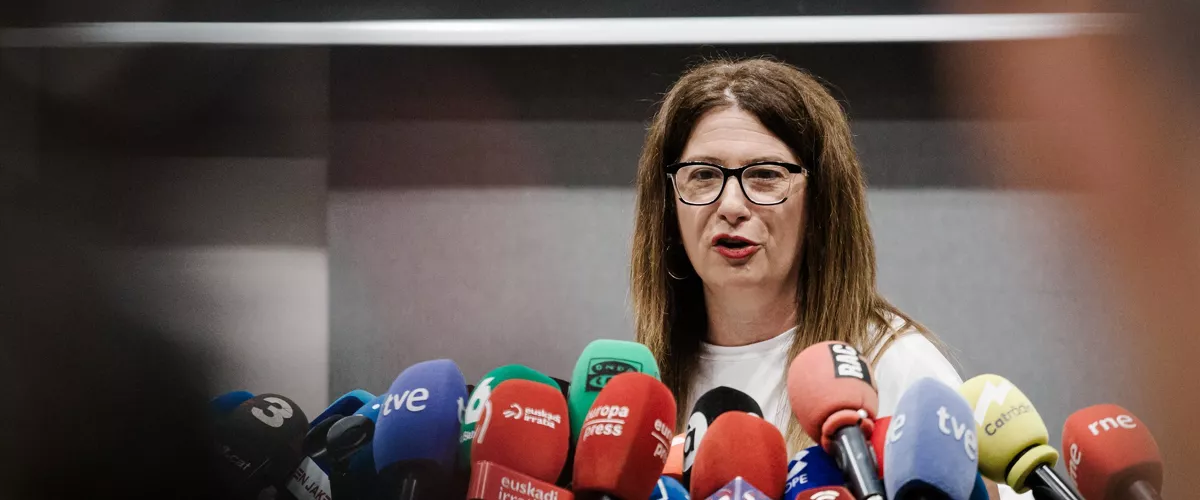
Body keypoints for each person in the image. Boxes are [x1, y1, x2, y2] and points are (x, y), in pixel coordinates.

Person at [629, 58, 1015, 499]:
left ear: (821, 204)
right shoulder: (645, 389)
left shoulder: (895, 367)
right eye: (702, 175)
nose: (731, 205)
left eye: (765, 175)